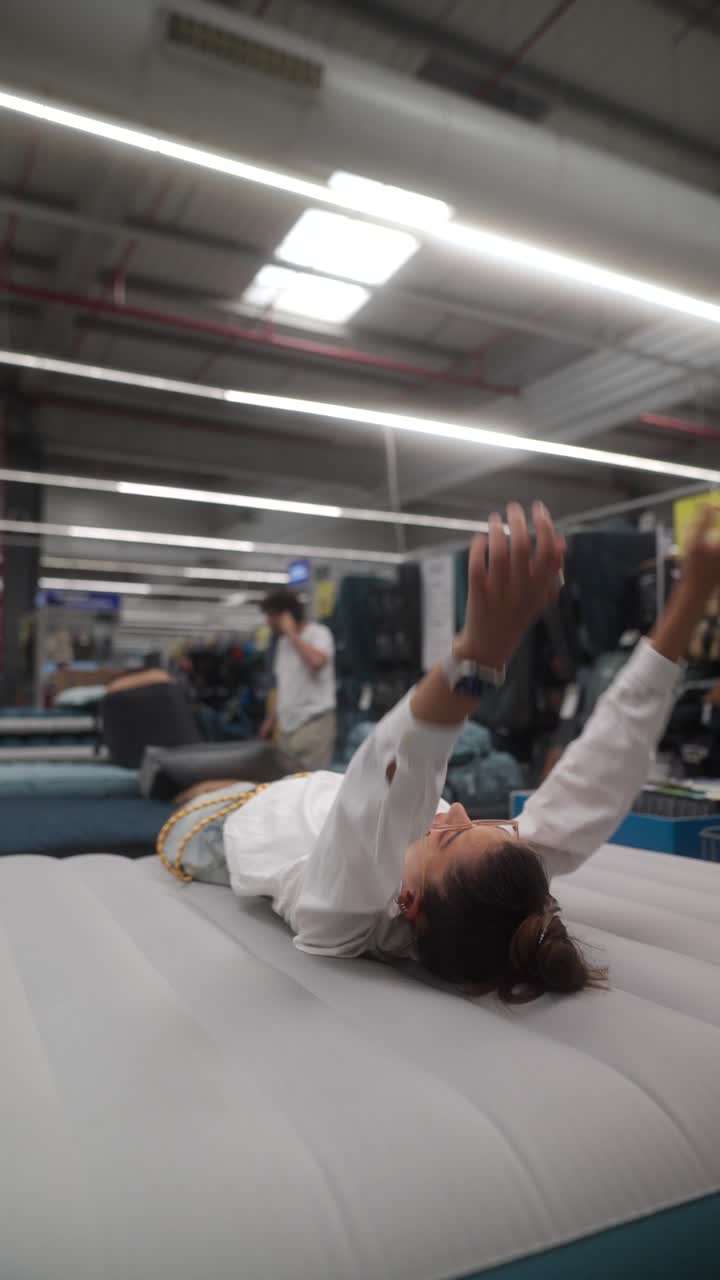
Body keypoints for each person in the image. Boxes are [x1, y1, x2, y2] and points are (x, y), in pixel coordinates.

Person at [159, 502, 720, 1001]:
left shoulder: (344, 913)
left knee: (176, 778)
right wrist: (691, 597)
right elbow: (605, 767)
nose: (453, 811)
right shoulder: (487, 881)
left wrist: (477, 657)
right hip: (314, 786)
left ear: (408, 902)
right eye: (479, 824)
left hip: (231, 821)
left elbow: (398, 773)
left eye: (448, 835)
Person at [259, 588, 336, 769]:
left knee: (310, 786)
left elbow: (317, 661)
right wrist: (270, 720)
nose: (268, 622)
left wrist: (292, 633)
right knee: (288, 786)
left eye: (271, 616)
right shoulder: (282, 643)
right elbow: (283, 685)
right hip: (286, 729)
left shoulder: (319, 633)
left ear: (286, 615)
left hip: (313, 725)